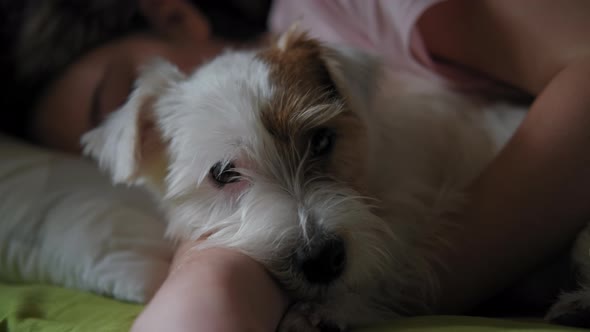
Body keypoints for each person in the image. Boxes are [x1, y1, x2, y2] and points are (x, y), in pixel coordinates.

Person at [2, 0, 590, 330]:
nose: (305, 219)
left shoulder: (326, 32)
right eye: (227, 174)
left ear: (176, 14)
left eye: (319, 144)